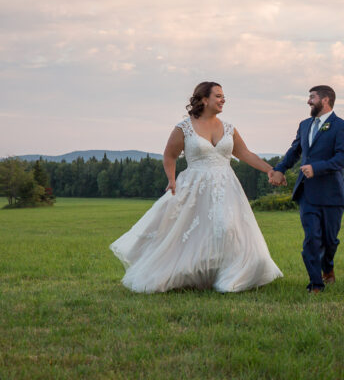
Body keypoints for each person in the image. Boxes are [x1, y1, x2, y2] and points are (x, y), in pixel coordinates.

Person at [110, 82, 283, 293]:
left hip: (226, 186)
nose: (223, 100)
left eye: (223, 96)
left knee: (227, 228)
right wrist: (171, 179)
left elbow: (245, 153)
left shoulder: (229, 128)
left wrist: (269, 170)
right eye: (218, 96)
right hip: (194, 185)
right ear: (203, 99)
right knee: (194, 232)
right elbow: (169, 155)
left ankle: (231, 275)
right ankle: (190, 274)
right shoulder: (184, 128)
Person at [270, 85, 344, 293]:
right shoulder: (305, 125)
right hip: (307, 193)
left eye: (312, 97)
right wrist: (279, 169)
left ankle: (328, 268)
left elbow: (342, 158)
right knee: (312, 239)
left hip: (332, 194)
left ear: (325, 100)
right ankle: (316, 283)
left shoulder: (341, 126)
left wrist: (317, 168)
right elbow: (294, 151)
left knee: (330, 240)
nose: (308, 101)